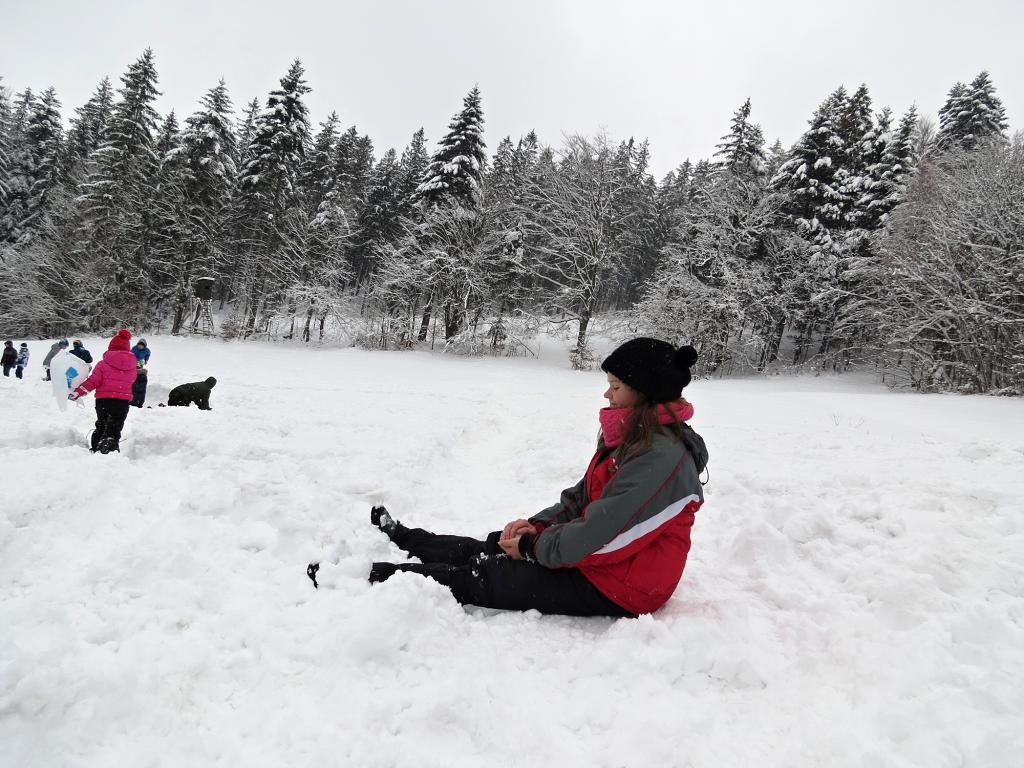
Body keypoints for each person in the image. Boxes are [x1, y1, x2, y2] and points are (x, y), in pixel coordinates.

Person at [350, 338, 708, 618]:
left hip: (624, 584)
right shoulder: (637, 437)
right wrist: (535, 528)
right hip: (602, 559)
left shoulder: (661, 458)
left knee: (491, 575)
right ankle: (407, 538)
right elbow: (582, 499)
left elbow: (605, 538)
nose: (606, 393)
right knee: (493, 547)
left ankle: (376, 576)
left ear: (644, 394)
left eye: (615, 386)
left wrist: (532, 548)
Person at [68, 329, 138, 454]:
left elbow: (93, 381)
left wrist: (78, 392)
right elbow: (131, 381)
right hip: (122, 402)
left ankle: (96, 449)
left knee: (102, 425)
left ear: (111, 347)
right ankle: (109, 449)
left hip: (104, 400)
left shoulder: (103, 364)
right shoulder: (132, 367)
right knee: (115, 428)